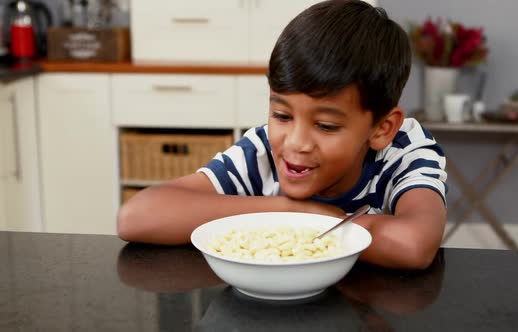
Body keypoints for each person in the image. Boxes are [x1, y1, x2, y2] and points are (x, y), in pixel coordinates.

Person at [117, 0, 448, 270]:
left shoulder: (404, 149)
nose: (295, 143)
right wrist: (296, 212)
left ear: (382, 128)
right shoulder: (261, 150)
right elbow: (137, 216)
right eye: (282, 115)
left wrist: (302, 224)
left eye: (326, 126)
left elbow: (413, 244)